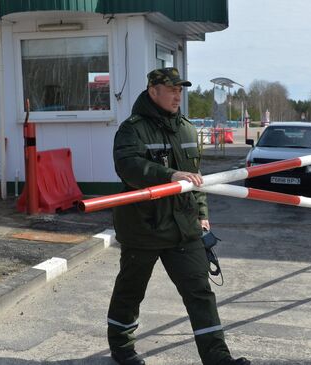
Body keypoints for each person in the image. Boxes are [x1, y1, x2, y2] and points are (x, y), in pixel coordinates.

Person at [107, 67, 250, 365]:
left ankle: (218, 358)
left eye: (180, 89)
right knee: (130, 292)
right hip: (142, 227)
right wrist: (169, 175)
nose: (177, 95)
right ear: (153, 91)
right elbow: (129, 167)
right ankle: (122, 349)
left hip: (183, 228)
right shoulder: (131, 130)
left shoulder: (186, 128)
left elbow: (195, 177)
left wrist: (202, 214)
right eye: (171, 89)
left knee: (200, 292)